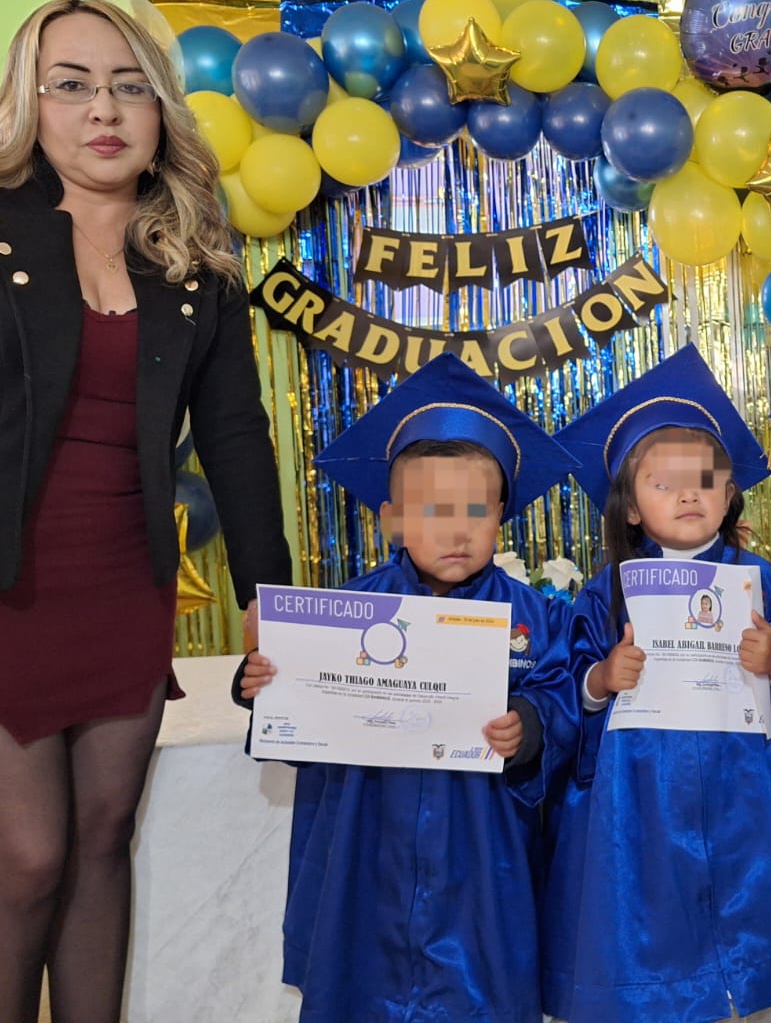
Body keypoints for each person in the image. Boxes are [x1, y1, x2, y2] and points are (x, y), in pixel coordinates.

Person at [0, 0, 291, 1022]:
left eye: (130, 85)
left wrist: (269, 592)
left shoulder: (195, 261)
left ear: (161, 111)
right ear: (30, 102)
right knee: (28, 858)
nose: (104, 109)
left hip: (118, 589)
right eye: (73, 83)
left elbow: (235, 435)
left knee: (102, 847)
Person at [236, 352, 579, 1023]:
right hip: (368, 845)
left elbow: (562, 696)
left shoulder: (539, 618)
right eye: (432, 511)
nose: (456, 530)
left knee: (486, 991)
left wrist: (530, 724)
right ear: (391, 517)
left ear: (502, 513)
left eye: (475, 511)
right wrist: (261, 685)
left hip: (482, 855)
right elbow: (299, 725)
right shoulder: (345, 611)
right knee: (362, 985)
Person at [542, 344, 771, 1023]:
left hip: (752, 809)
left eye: (704, 480)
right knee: (653, 963)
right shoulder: (603, 598)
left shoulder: (769, 587)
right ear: (632, 509)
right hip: (637, 812)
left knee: (765, 976)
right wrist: (599, 680)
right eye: (662, 483)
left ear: (729, 495)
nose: (686, 494)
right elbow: (562, 703)